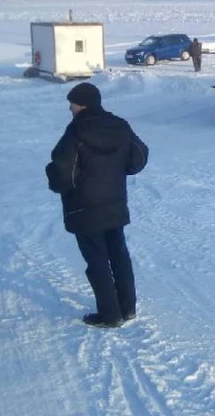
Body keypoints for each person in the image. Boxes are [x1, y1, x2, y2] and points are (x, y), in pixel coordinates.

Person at [45, 83, 148, 328]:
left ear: (81, 104)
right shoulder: (120, 125)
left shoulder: (76, 131)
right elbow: (138, 158)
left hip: (84, 208)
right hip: (114, 203)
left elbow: (63, 173)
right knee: (119, 255)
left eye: (72, 103)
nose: (69, 107)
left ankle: (110, 315)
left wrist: (52, 174)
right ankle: (128, 307)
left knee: (97, 261)